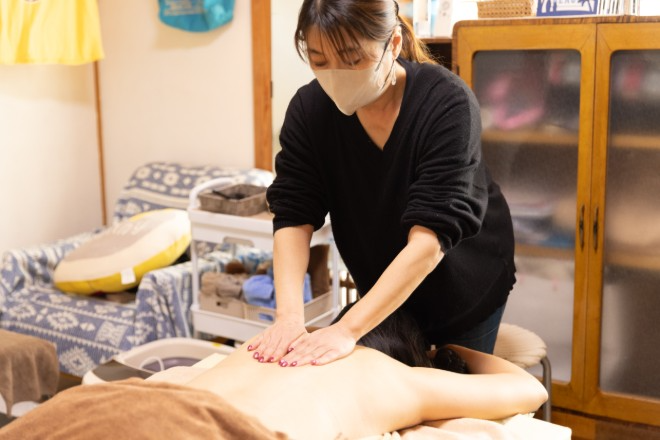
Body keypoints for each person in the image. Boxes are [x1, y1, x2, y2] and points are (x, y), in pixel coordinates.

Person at [251, 0, 516, 368]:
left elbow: (430, 239)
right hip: (382, 285)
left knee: (452, 392)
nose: (336, 75)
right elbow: (294, 214)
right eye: (319, 60)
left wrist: (347, 329)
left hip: (463, 279)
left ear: (393, 44)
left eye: (352, 59)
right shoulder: (309, 111)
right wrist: (290, 318)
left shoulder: (446, 103)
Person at [0, 312, 548, 440]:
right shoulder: (389, 375)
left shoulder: (274, 343)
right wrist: (450, 350)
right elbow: (529, 388)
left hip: (97, 412)